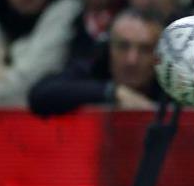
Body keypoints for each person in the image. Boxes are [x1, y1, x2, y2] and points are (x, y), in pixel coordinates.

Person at [28, 8, 163, 115]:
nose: (131, 60)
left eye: (145, 49)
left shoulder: (173, 84)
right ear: (108, 48)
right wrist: (112, 93)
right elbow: (41, 94)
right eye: (123, 47)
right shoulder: (95, 68)